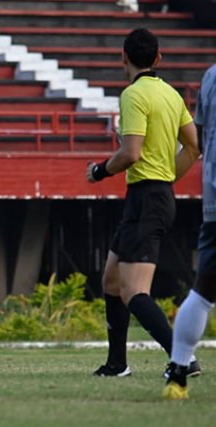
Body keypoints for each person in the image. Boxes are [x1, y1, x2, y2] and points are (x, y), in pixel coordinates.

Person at [86, 28, 200, 377]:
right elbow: (194, 147)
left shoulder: (134, 95)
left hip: (147, 198)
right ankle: (117, 364)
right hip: (151, 195)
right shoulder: (170, 94)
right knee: (111, 280)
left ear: (123, 58)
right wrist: (167, 178)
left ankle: (184, 360)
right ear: (158, 58)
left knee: (134, 292)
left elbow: (130, 153)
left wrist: (99, 170)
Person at [162, 63, 216, 399]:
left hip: (214, 195)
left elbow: (199, 134)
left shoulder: (211, 75)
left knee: (204, 290)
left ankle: (178, 371)